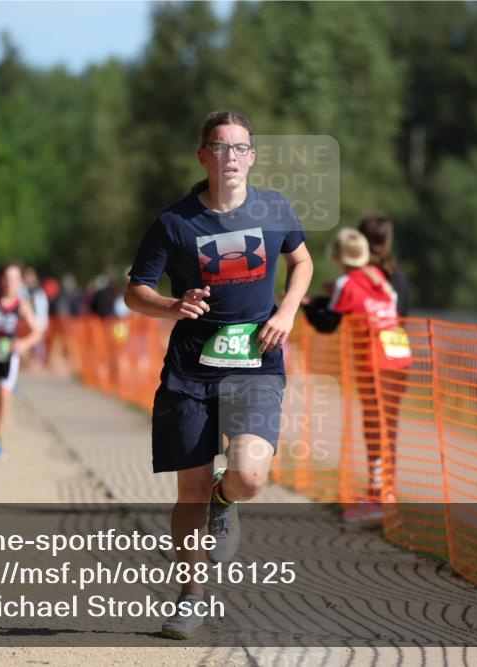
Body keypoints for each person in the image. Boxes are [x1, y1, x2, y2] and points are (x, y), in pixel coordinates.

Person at [125, 110, 313, 639]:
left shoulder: (274, 208)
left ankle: (225, 501)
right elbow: (134, 290)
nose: (230, 157)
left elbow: (303, 263)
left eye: (240, 147)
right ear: (203, 156)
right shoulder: (175, 223)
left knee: (250, 474)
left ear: (252, 155)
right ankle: (190, 598)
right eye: (220, 147)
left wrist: (286, 312)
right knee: (189, 494)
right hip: (191, 371)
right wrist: (171, 304)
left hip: (256, 362)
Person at [303, 228, 413, 523]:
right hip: (400, 357)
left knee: (374, 428)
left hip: (374, 362)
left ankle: (379, 497)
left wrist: (307, 307)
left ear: (338, 257)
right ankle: (383, 492)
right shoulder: (378, 278)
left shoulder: (346, 282)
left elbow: (329, 323)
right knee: (387, 427)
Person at [0, 262, 43, 460]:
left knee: (5, 393)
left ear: (20, 282)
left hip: (9, 357)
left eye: (12, 279)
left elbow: (37, 332)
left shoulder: (21, 305)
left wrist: (23, 344)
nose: (7, 282)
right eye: (4, 277)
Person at [359, 213, 411, 317]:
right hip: (394, 332)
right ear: (388, 240)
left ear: (360, 238)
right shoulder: (396, 269)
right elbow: (403, 312)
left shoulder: (358, 271)